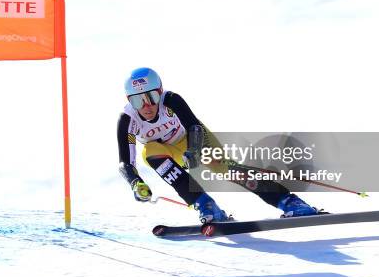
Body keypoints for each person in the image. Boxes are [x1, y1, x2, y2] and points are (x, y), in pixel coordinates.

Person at [117, 67, 320, 223]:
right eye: (137, 101)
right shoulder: (127, 120)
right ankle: (205, 205)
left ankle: (289, 201)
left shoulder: (171, 100)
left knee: (226, 169)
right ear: (129, 101)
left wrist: (194, 150)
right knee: (150, 151)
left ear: (160, 92)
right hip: (167, 151)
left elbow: (194, 126)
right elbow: (125, 162)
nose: (147, 106)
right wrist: (136, 183)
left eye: (151, 97)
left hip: (192, 140)